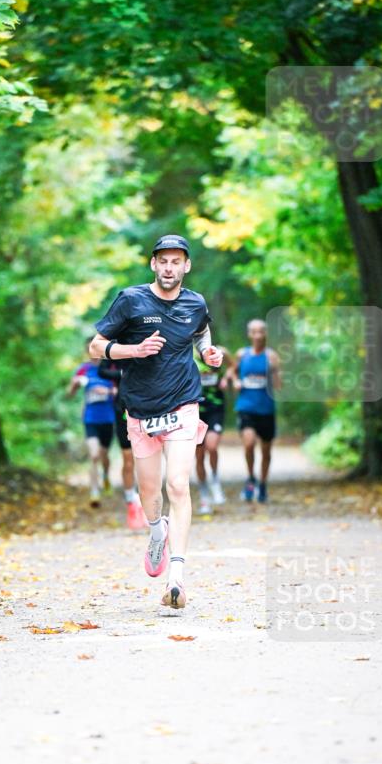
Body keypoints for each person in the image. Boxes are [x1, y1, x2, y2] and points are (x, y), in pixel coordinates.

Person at [89, 234, 222, 615]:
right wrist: (134, 350)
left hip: (183, 402)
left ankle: (176, 576)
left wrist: (209, 353)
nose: (169, 268)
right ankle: (156, 530)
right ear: (153, 264)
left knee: (178, 484)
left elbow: (200, 333)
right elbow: (96, 346)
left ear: (186, 266)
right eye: (163, 261)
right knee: (151, 494)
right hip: (140, 408)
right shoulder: (131, 300)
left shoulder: (195, 302)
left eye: (176, 261)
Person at [223, 319, 281, 503]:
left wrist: (274, 371)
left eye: (261, 331)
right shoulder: (242, 354)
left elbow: (279, 385)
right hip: (246, 407)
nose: (257, 335)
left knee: (266, 451)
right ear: (249, 334)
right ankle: (250, 479)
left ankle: (263, 484)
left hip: (266, 409)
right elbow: (232, 371)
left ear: (265, 334)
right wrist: (234, 380)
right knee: (248, 444)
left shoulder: (271, 356)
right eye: (253, 332)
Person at [98, 355, 148, 530]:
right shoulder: (117, 341)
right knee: (128, 459)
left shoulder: (149, 337)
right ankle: (131, 504)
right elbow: (101, 370)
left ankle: (148, 506)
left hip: (147, 407)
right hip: (123, 408)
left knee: (146, 460)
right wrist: (124, 373)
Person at [67, 343, 116, 507]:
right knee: (94, 455)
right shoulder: (83, 369)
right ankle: (94, 492)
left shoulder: (110, 368)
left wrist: (107, 392)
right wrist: (74, 385)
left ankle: (106, 476)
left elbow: (121, 391)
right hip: (90, 419)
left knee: (104, 455)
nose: (93, 353)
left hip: (108, 419)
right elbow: (70, 393)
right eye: (89, 350)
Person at [195, 349, 227, 515]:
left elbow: (233, 366)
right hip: (195, 410)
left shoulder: (219, 352)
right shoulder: (189, 356)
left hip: (215, 408)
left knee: (212, 446)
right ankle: (204, 495)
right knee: (199, 455)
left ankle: (215, 480)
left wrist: (228, 378)